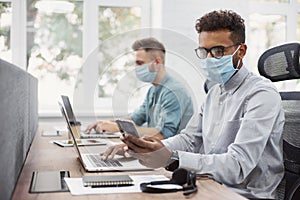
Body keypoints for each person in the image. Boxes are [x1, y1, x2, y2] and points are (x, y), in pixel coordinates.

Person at [104, 10, 285, 199]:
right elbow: (189, 140)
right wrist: (147, 149)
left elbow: (238, 165)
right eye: (204, 51)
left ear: (241, 51)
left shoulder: (261, 95)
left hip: (245, 194)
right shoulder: (214, 92)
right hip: (209, 184)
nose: (208, 59)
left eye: (217, 51)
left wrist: (172, 157)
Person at [86, 37, 194, 140]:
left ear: (157, 62)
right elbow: (135, 118)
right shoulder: (153, 90)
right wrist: (106, 123)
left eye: (140, 63)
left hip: (173, 157)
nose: (136, 68)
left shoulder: (173, 91)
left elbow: (163, 133)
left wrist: (119, 128)